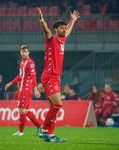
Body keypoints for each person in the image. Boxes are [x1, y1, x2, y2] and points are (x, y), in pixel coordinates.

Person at [37, 7, 80, 142]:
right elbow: (46, 30)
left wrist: (72, 21)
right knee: (58, 104)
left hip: (55, 76)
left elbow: (68, 30)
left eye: (63, 27)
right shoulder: (51, 40)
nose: (63, 30)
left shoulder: (62, 41)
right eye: (61, 28)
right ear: (56, 30)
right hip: (49, 75)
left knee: (53, 107)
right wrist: (41, 18)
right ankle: (43, 130)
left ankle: (51, 135)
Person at [5, 45, 42, 136]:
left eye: (25, 51)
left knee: (22, 109)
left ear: (28, 53)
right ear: (20, 52)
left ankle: (21, 131)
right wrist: (10, 83)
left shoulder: (30, 63)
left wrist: (35, 89)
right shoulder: (22, 63)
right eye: (22, 51)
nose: (24, 53)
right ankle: (39, 127)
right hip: (22, 88)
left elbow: (33, 76)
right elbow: (20, 76)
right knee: (25, 110)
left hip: (26, 88)